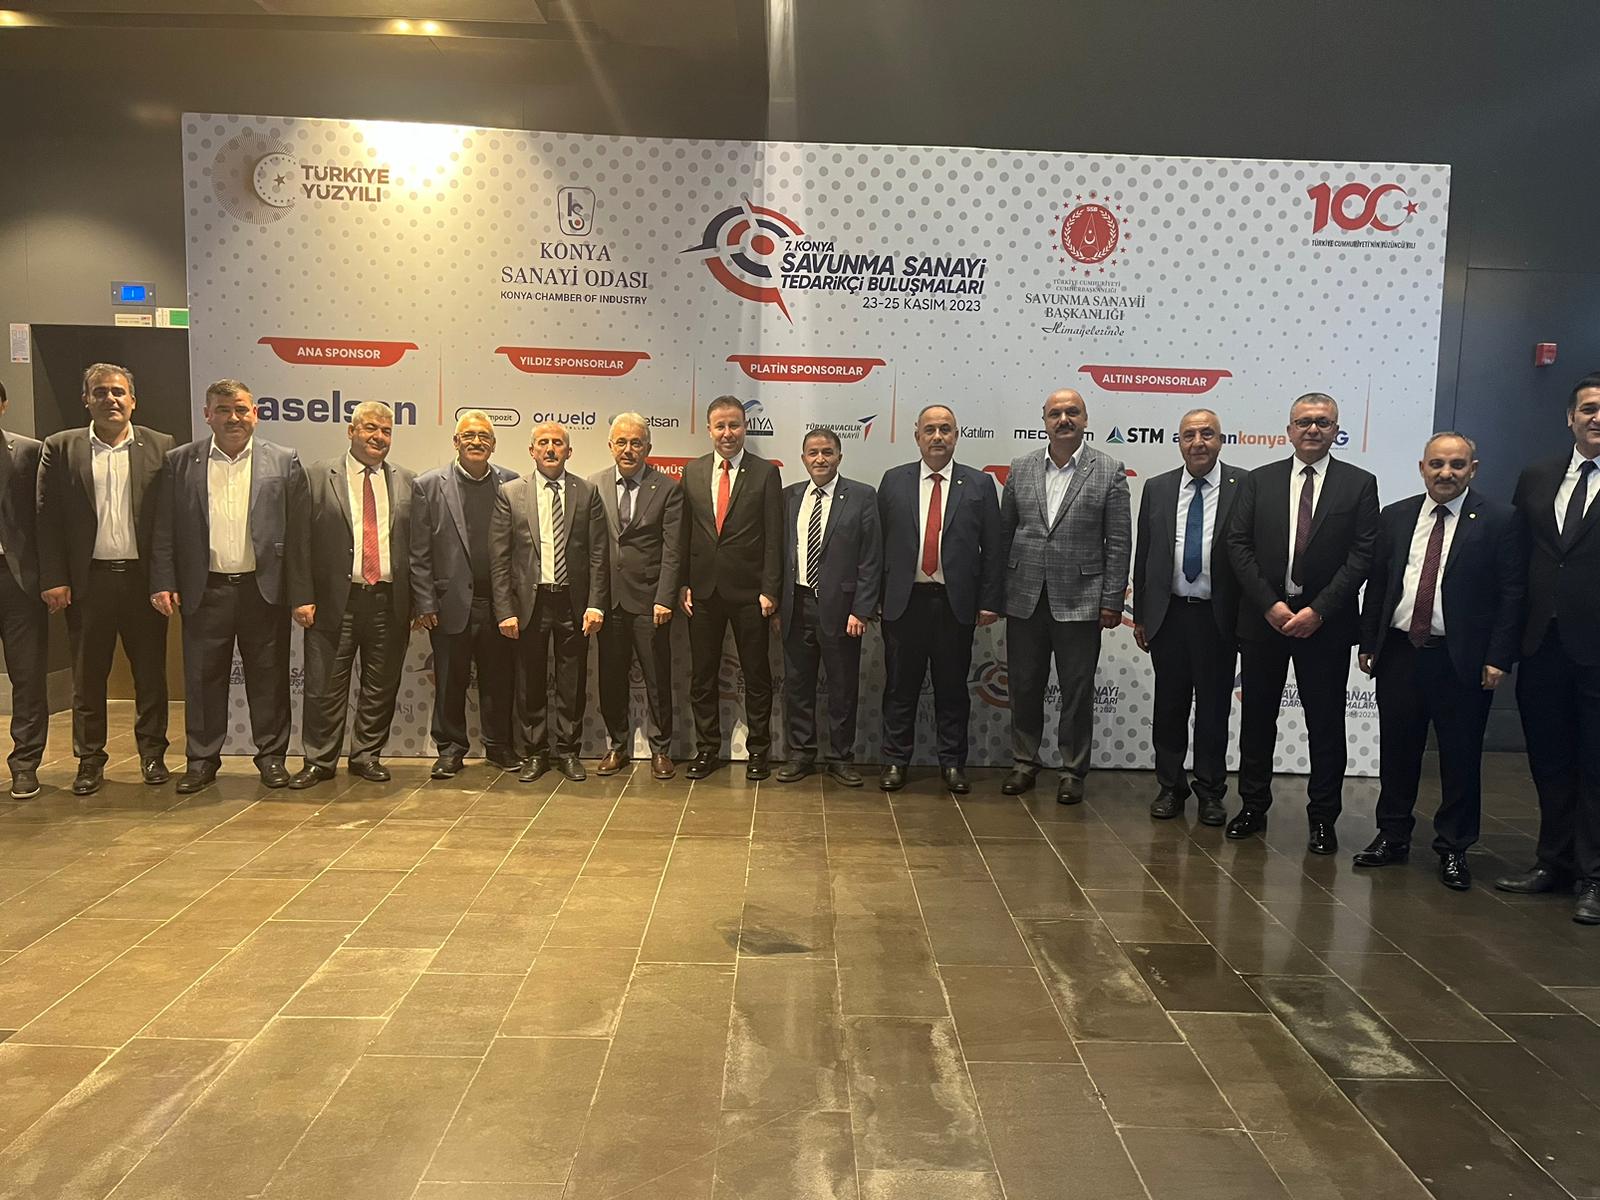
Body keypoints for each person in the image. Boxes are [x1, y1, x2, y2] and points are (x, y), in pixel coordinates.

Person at [1354, 432, 1521, 890]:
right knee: (1398, 751)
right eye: (1437, 464)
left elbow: (1512, 594)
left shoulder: (1500, 520)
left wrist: (1499, 656)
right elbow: (1379, 584)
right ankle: (1392, 836)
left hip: (1461, 658)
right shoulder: (1396, 516)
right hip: (1400, 652)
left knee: (1459, 756)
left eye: (1456, 465)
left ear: (1473, 469)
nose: (1446, 473)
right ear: (1422, 467)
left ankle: (1454, 847)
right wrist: (1368, 642)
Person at [1224, 392, 1379, 854]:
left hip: (1325, 625)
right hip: (1264, 622)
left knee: (1326, 724)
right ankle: (1253, 806)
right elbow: (1238, 544)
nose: (1313, 429)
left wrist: (1319, 610)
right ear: (1289, 430)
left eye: (1323, 422)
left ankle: (1323, 818)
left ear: (1336, 431)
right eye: (1304, 422)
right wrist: (1270, 605)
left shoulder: (1359, 484)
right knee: (1257, 720)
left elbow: (1362, 554)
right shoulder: (1259, 480)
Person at [149, 379, 308, 794]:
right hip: (205, 590)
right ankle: (201, 761)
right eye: (223, 410)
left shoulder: (284, 460)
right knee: (203, 681)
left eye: (241, 409)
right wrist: (163, 580)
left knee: (269, 680)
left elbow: (298, 535)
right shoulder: (180, 462)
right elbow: (164, 527)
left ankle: (272, 758)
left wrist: (301, 594)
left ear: (256, 413)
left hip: (263, 590)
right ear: (207, 415)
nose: (233, 418)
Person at [37, 363, 176, 796]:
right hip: (88, 583)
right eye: (100, 392)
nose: (110, 399)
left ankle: (152, 755)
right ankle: (89, 760)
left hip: (142, 583)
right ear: (86, 400)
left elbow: (168, 522)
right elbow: (47, 519)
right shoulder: (61, 447)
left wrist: (165, 579)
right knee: (88, 677)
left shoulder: (161, 446)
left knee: (150, 676)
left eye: (118, 392)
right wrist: (54, 577)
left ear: (133, 400)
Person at [1498, 373, 1600, 923]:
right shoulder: (1537, 476)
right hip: (1542, 643)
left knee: (1596, 764)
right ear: (1570, 418)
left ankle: (1594, 876)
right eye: (1588, 408)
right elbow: (1519, 561)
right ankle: (1553, 862)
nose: (1597, 417)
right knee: (1550, 759)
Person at [999, 389, 1130, 804]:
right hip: (1024, 597)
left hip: (1082, 599)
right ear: (1044, 420)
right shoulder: (1020, 468)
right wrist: (997, 593)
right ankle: (1024, 761)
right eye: (1055, 413)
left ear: (1085, 419)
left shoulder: (1109, 470)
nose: (1064, 419)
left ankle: (1072, 770)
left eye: (1072, 412)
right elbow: (1004, 534)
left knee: (1076, 690)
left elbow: (1119, 542)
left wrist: (1112, 599)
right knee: (1024, 685)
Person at [287, 401, 418, 788]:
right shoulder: (316, 476)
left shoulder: (408, 481)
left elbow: (419, 547)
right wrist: (301, 596)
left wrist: (419, 602)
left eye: (386, 431)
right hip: (334, 602)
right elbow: (298, 542)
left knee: (381, 686)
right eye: (370, 428)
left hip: (389, 601)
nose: (379, 437)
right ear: (351, 431)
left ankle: (366, 756)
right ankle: (319, 760)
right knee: (324, 686)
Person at [877, 404, 1003, 794]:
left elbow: (994, 549)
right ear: (917, 435)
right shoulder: (893, 480)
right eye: (929, 430)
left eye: (945, 429)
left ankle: (952, 763)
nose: (937, 437)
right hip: (904, 603)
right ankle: (895, 760)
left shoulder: (979, 484)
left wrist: (989, 600)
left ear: (956, 436)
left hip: (954, 604)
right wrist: (875, 598)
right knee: (899, 688)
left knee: (952, 689)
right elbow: (877, 545)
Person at [1132, 408, 1242, 825]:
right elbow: (1144, 554)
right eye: (1189, 435)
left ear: (1221, 440)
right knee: (1170, 706)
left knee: (1213, 709)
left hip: (1218, 617)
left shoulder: (1244, 486)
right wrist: (1141, 615)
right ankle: (1170, 785)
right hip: (1170, 615)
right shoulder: (1158, 487)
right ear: (1179, 442)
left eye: (1207, 434)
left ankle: (1211, 791)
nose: (1198, 442)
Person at [491, 421, 607, 784]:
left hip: (573, 602)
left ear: (569, 452)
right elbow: (499, 557)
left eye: (558, 443)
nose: (551, 448)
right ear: (532, 451)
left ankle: (569, 752)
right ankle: (535, 752)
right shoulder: (511, 493)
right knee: (530, 680)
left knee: (572, 681)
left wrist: (596, 603)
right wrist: (504, 610)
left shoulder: (586, 492)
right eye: (543, 442)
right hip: (530, 602)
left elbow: (598, 554)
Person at [409, 411, 521, 780]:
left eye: (484, 436)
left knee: (499, 680)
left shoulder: (511, 483)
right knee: (449, 681)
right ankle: (450, 749)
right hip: (449, 604)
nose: (476, 441)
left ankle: (499, 746)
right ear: (456, 442)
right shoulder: (428, 485)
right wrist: (424, 602)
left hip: (499, 604)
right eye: (469, 435)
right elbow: (419, 551)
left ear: (494, 444)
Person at [681, 396, 782, 781]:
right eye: (720, 426)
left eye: (735, 425)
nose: (728, 433)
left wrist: (770, 589)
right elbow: (684, 532)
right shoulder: (692, 472)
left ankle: (758, 751)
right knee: (702, 676)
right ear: (709, 429)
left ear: (745, 427)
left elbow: (774, 536)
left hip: (750, 594)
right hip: (702, 592)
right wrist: (683, 583)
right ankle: (707, 749)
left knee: (756, 675)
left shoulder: (765, 473)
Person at [776, 427, 882, 787]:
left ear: (839, 456)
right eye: (813, 453)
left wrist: (862, 609)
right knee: (798, 685)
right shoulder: (790, 496)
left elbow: (871, 557)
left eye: (827, 452)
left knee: (842, 687)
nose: (820, 459)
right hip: (797, 605)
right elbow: (779, 553)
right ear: (803, 458)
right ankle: (801, 754)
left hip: (843, 610)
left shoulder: (862, 496)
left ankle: (841, 757)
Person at [589, 412, 683, 781]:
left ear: (648, 447)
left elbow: (673, 549)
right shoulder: (594, 484)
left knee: (657, 677)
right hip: (608, 600)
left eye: (636, 443)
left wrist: (665, 597)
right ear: (610, 445)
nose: (628, 449)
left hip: (650, 600)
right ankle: (617, 745)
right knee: (611, 677)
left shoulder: (668, 488)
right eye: (622, 442)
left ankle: (661, 749)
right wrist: (593, 600)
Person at [0, 380, 47, 800]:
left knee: (27, 675)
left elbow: (46, 520)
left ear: (3, 405)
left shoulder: (29, 452)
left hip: (17, 580)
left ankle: (25, 764)